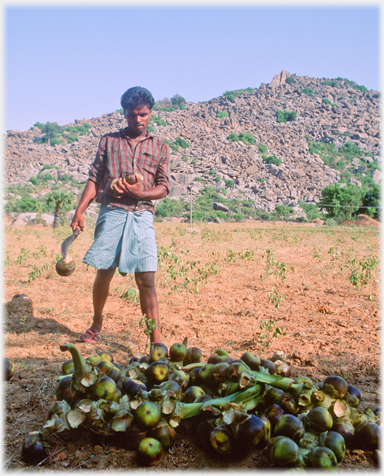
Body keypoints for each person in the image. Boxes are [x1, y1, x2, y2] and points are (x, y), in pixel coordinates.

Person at [71, 86, 170, 345]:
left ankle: (156, 341)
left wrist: (141, 193)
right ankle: (96, 324)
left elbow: (164, 186)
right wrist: (79, 211)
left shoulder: (160, 147)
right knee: (104, 270)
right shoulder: (109, 141)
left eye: (144, 114)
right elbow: (94, 178)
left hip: (141, 214)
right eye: (132, 115)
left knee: (146, 278)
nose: (138, 120)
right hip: (112, 212)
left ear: (150, 114)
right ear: (124, 113)